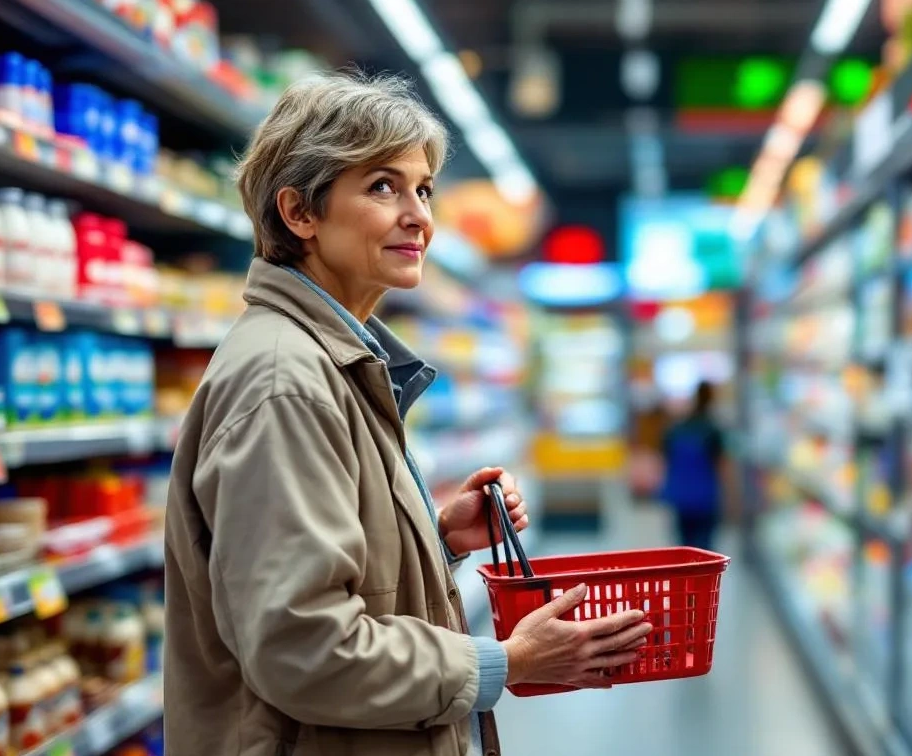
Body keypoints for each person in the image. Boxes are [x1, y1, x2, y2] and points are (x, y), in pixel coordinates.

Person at [162, 72, 651, 756]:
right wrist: (506, 662)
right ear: (301, 213)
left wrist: (437, 540)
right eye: (382, 186)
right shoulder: (286, 382)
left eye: (423, 189)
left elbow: (327, 580)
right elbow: (302, 647)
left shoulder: (333, 362)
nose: (420, 215)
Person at [660, 381, 726, 551]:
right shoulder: (712, 430)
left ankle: (685, 578)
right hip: (705, 498)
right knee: (704, 550)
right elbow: (721, 466)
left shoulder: (677, 428)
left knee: (684, 548)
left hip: (681, 496)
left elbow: (666, 461)